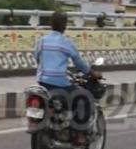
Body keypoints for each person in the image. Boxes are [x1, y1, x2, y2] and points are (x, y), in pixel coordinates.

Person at [33, 10, 94, 138]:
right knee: (84, 97)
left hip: (42, 83)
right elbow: (79, 63)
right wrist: (91, 73)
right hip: (60, 84)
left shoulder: (42, 41)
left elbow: (36, 56)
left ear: (51, 24)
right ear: (65, 25)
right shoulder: (66, 43)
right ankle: (80, 134)